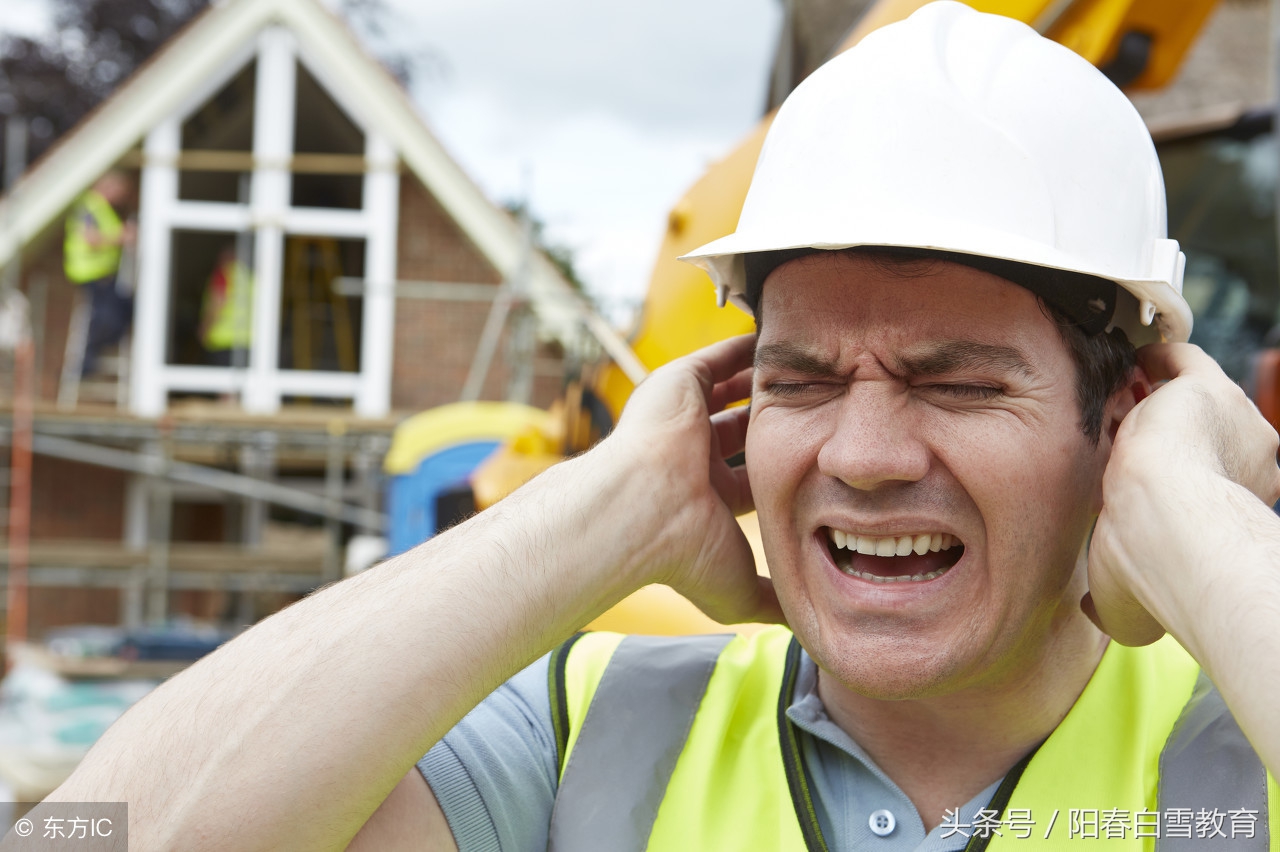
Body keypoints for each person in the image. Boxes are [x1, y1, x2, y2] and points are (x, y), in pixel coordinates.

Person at [40, 4, 1280, 850]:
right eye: (799, 381)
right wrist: (605, 508)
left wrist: (1198, 524)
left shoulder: (1234, 735)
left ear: (1123, 415)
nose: (860, 457)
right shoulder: (593, 730)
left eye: (956, 385)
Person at [63, 171, 136, 376]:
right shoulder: (89, 206)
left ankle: (96, 355)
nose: (122, 197)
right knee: (106, 317)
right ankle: (85, 366)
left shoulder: (102, 208)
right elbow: (90, 238)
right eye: (121, 192)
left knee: (126, 307)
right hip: (90, 274)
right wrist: (121, 236)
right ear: (109, 187)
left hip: (103, 275)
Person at [200, 245, 254, 368]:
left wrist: (205, 328)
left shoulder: (223, 274)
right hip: (248, 341)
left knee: (223, 378)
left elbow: (217, 303)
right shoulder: (250, 277)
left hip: (223, 341)